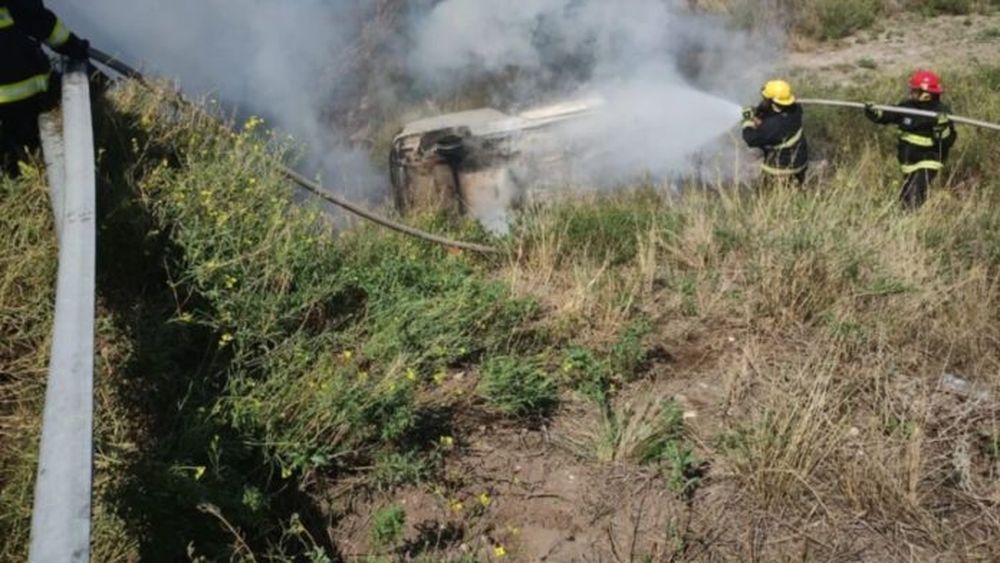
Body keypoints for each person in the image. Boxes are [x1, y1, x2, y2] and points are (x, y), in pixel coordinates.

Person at [0, 0, 89, 177]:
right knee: (32, 157)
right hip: (23, 91)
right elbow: (38, 20)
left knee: (11, 162)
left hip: (16, 93)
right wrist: (74, 46)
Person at [864, 70, 957, 209]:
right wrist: (876, 112)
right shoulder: (907, 107)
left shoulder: (940, 112)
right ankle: (912, 218)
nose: (911, 92)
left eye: (915, 90)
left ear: (926, 94)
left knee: (913, 194)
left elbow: (948, 141)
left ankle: (910, 217)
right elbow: (890, 115)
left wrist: (942, 129)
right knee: (905, 196)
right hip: (908, 161)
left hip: (929, 160)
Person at [742, 79, 809, 185]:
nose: (763, 100)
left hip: (780, 170)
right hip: (801, 162)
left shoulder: (773, 125)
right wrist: (756, 114)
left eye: (765, 99)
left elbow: (751, 139)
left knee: (765, 192)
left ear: (772, 102)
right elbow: (770, 118)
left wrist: (747, 121)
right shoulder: (796, 109)